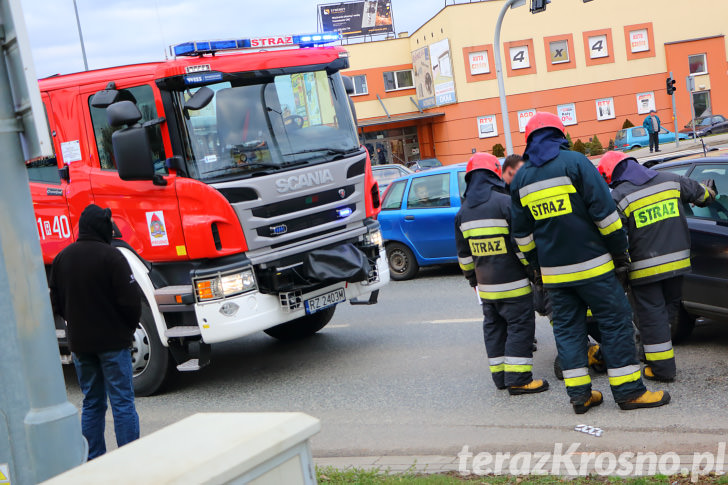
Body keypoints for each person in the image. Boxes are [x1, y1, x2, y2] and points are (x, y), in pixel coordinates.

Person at [510, 112, 670, 414]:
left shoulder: (521, 178)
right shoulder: (576, 164)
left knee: (569, 331)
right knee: (616, 323)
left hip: (555, 276)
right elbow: (606, 216)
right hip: (594, 267)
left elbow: (521, 235)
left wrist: (535, 268)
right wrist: (620, 253)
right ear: (560, 135)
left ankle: (580, 396)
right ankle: (630, 393)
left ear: (530, 140)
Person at [597, 151, 715, 381]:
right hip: (678, 265)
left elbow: (615, 238)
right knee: (667, 313)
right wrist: (710, 190)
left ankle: (663, 370)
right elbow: (704, 197)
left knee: (652, 318)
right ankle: (651, 355)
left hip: (645, 270)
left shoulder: (619, 197)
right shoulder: (672, 180)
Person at [49, 204, 142, 459]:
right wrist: (127, 329)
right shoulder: (112, 257)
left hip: (80, 344)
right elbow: (131, 302)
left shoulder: (62, 259)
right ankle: (130, 458)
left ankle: (94, 459)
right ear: (103, 228)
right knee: (122, 402)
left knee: (92, 402)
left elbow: (55, 303)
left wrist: (77, 324)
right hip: (113, 343)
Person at [455, 152, 549, 395]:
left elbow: (465, 257)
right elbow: (520, 245)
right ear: (493, 174)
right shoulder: (504, 203)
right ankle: (518, 379)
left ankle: (500, 378)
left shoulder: (463, 213)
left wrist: (472, 279)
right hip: (514, 285)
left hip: (486, 288)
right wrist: (533, 270)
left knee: (494, 329)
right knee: (520, 327)